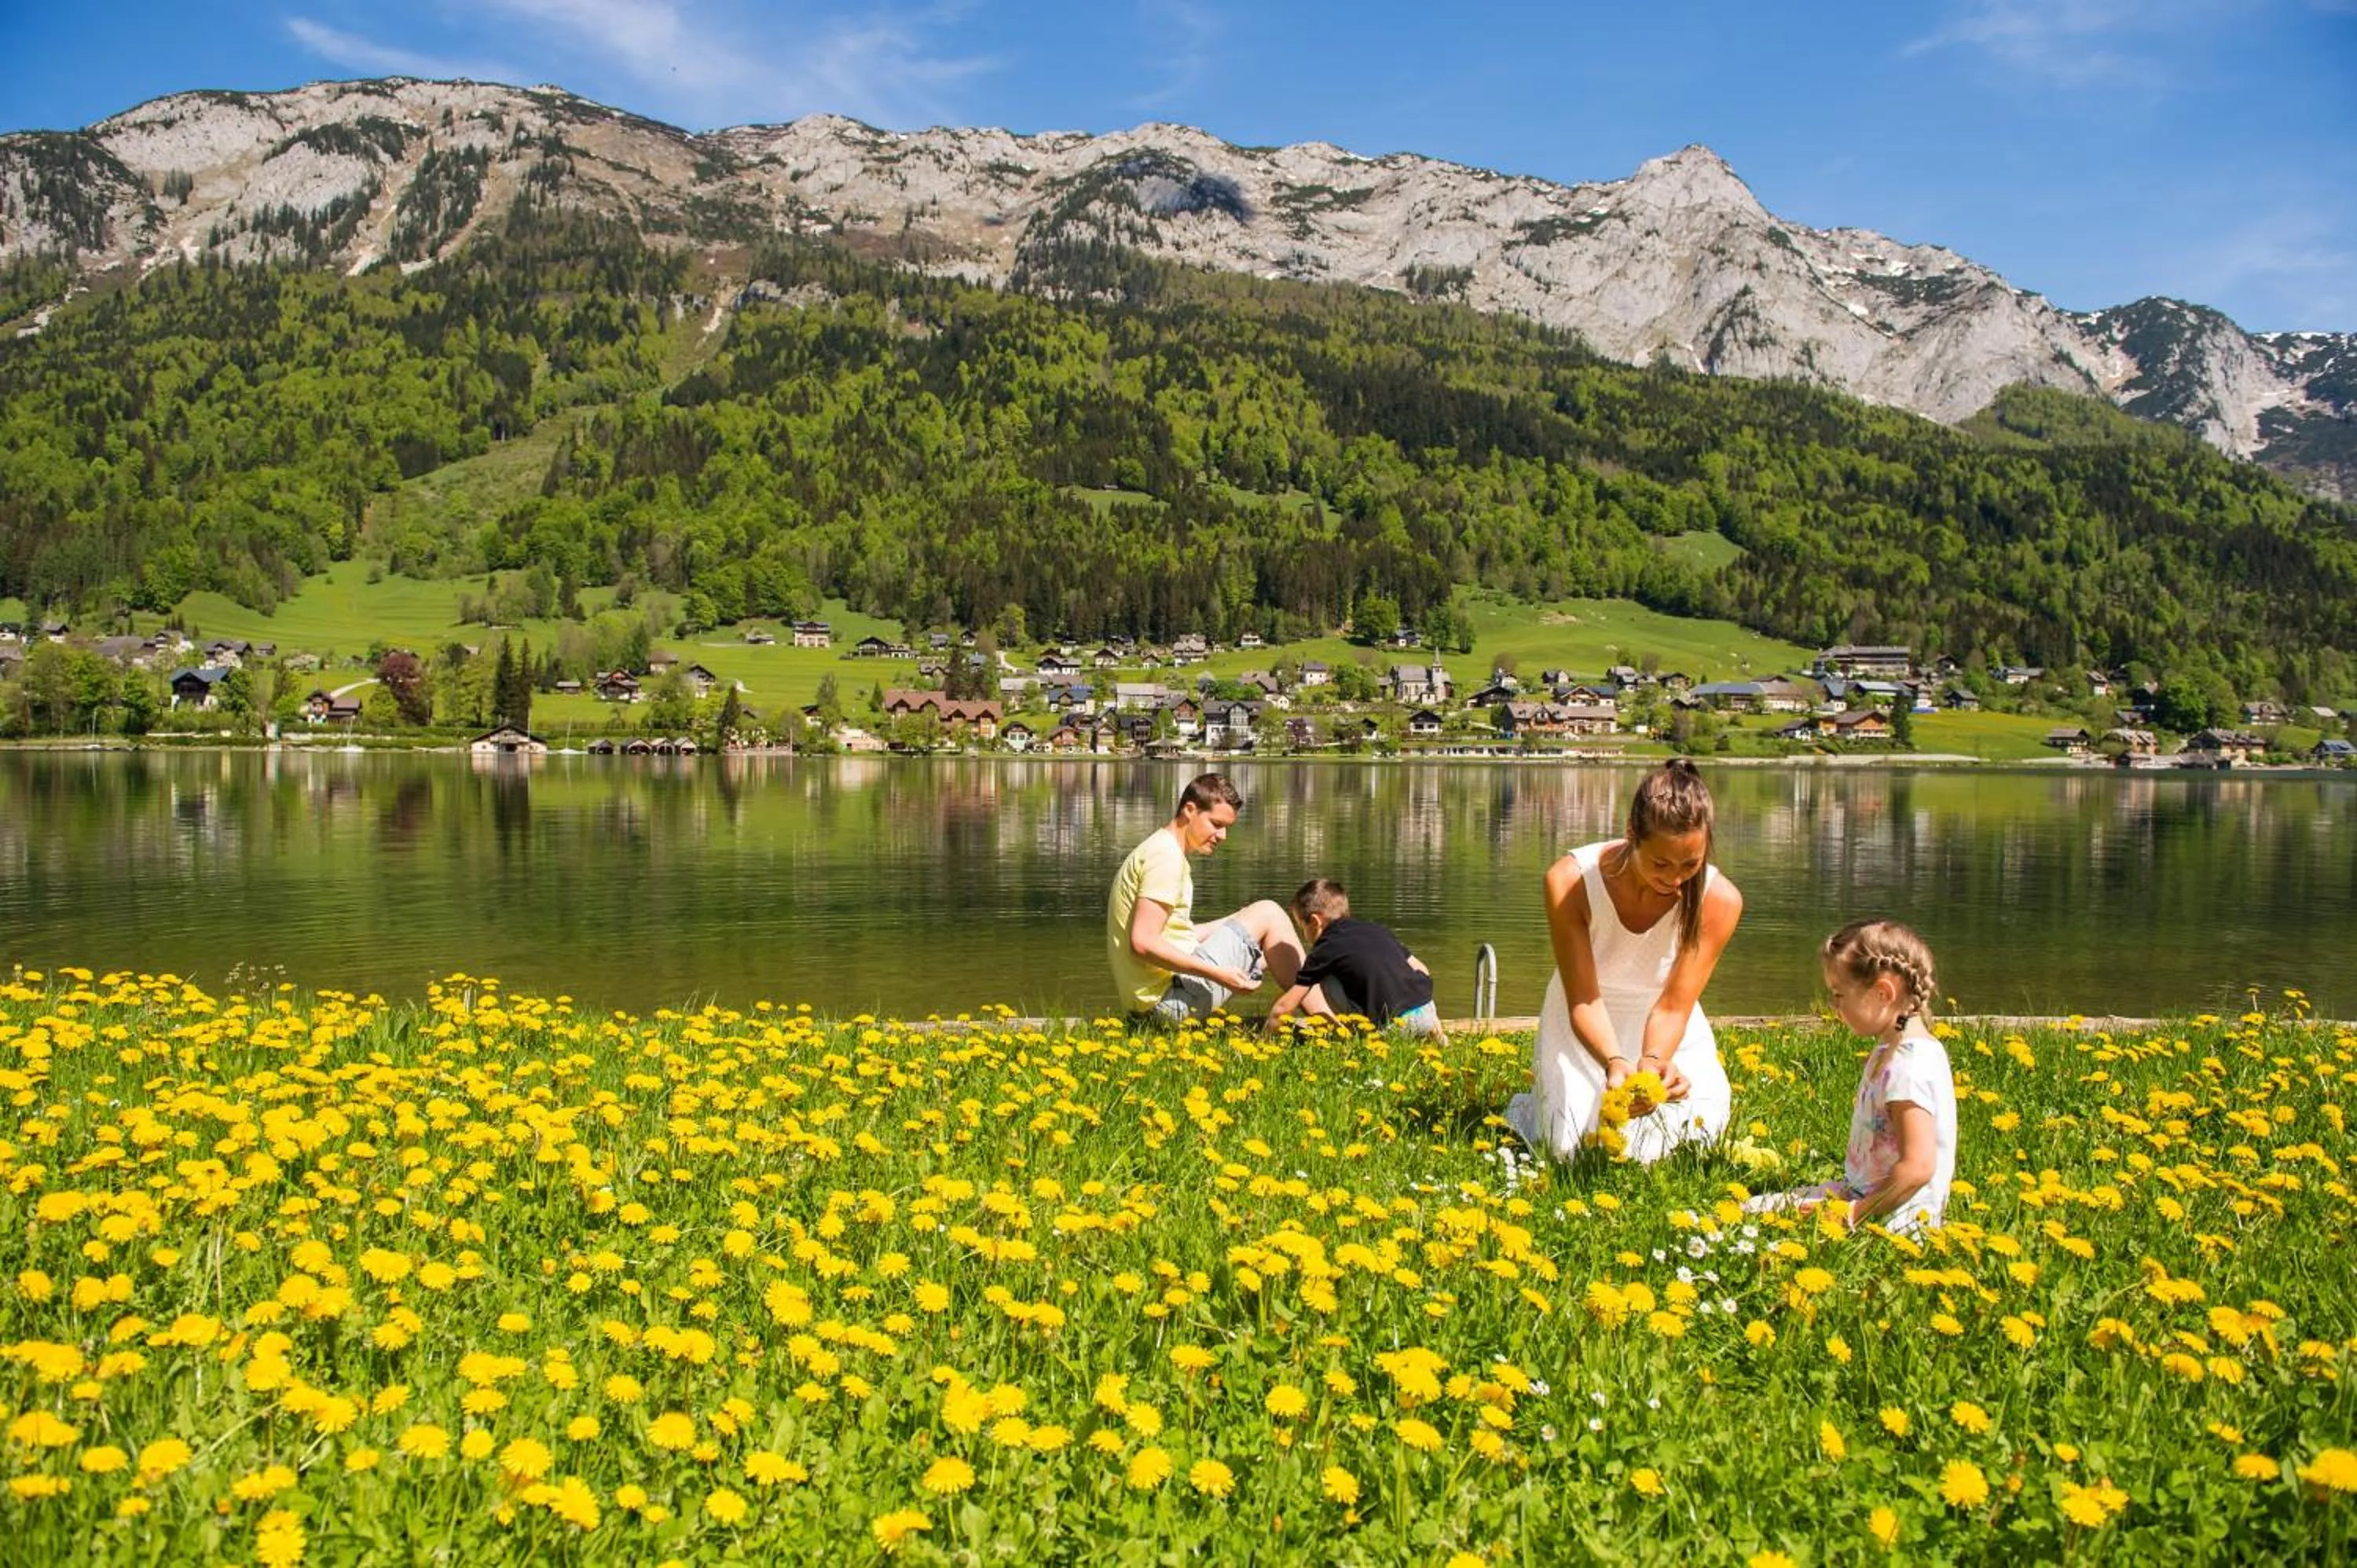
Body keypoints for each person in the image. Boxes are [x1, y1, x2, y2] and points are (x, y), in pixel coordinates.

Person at [1504, 759, 1739, 1162]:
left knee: (1686, 1144)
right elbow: (1584, 999)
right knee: (1572, 1149)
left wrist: (1654, 1064)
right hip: (1584, 1022)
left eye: (1690, 864)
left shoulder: (1721, 900)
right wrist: (1614, 1061)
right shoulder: (1569, 881)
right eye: (1661, 864)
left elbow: (1673, 1007)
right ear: (1631, 833)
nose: (1676, 879)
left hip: (1666, 1030)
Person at [1742, 920, 1956, 1233]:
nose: (1833, 1005)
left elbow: (1918, 1167)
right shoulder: (1897, 1049)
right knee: (1756, 1208)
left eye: (1839, 994)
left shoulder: (1909, 1068)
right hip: (1866, 1196)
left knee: (1760, 1219)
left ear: (1883, 993)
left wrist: (1852, 1214)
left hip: (1897, 1220)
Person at [1107, 772, 1304, 1021]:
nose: (1223, 836)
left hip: (1150, 1008)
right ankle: (1329, 1016)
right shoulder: (1166, 858)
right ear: (1190, 810)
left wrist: (1238, 917)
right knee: (1270, 913)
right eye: (1216, 824)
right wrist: (1217, 974)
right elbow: (1143, 943)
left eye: (1226, 828)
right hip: (1168, 1006)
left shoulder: (1159, 848)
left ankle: (1328, 1013)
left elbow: (1177, 935)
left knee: (1272, 944)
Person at [1266, 878, 1445, 1038]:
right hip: (1427, 1012)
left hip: (1394, 1027)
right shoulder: (1377, 929)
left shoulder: (1325, 948)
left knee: (1324, 976)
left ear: (1315, 922)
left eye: (1302, 927)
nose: (1304, 935)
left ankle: (1359, 1035)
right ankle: (1437, 1036)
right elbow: (1421, 968)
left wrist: (1267, 1035)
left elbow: (1285, 1007)